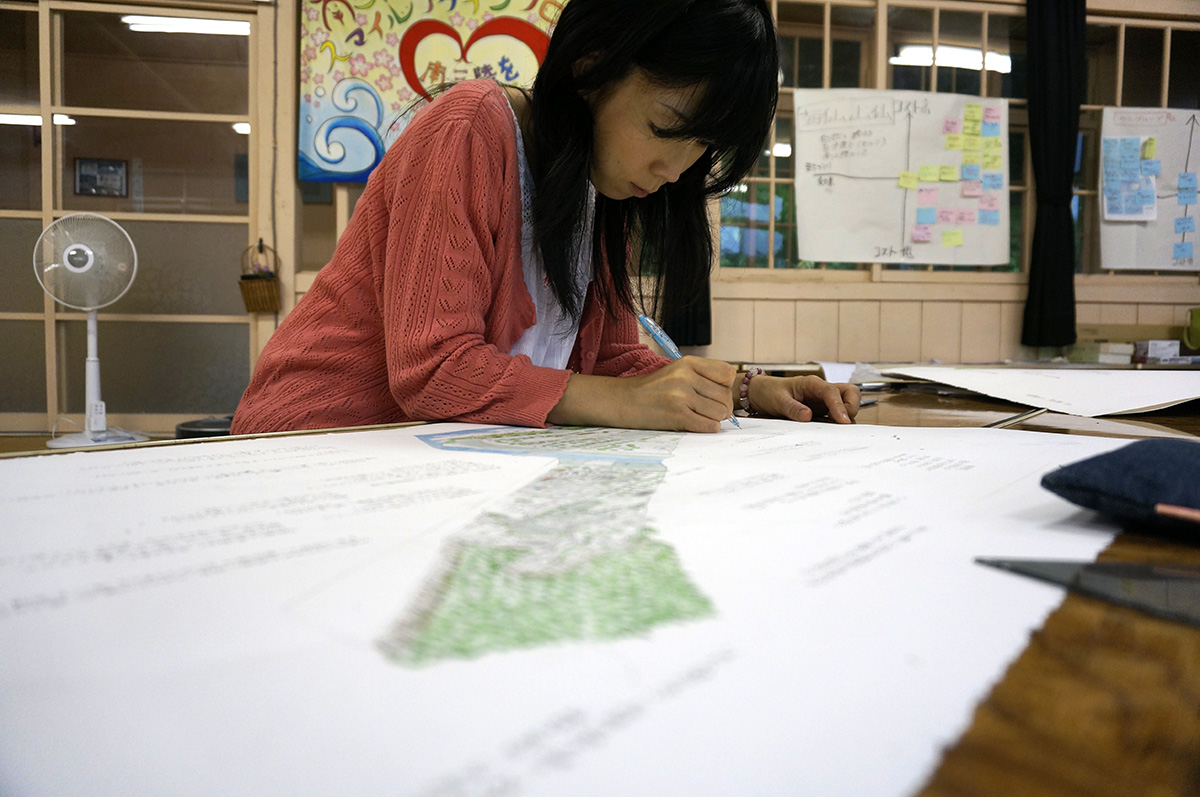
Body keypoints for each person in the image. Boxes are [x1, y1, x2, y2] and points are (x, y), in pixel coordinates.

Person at [232, 0, 860, 436]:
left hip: (431, 461)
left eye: (701, 150)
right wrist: (619, 399)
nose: (675, 169)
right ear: (592, 65)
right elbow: (434, 373)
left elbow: (614, 367)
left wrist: (746, 391)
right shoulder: (470, 128)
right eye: (667, 130)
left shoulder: (602, 189)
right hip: (314, 443)